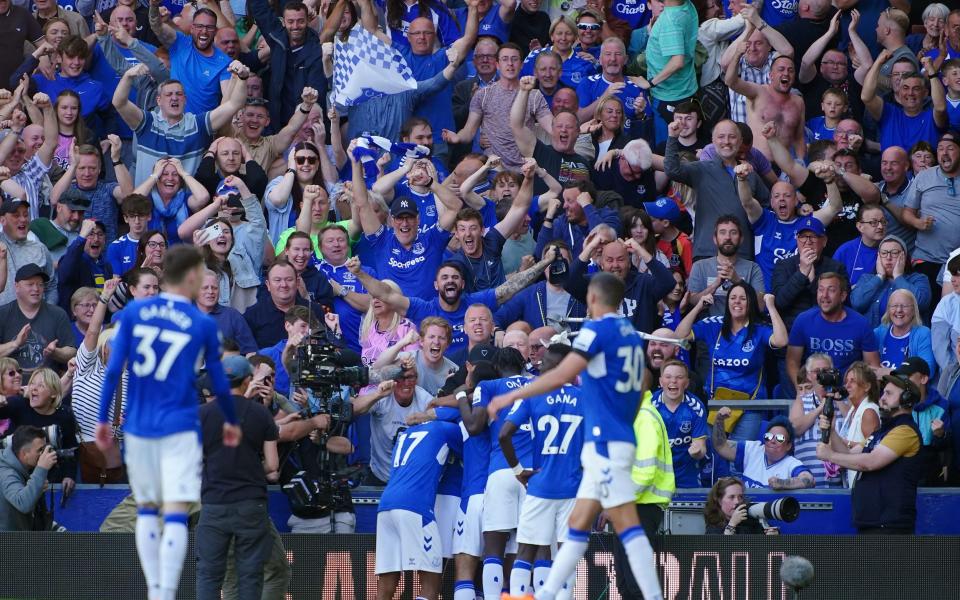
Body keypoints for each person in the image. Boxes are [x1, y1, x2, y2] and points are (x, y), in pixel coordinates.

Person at [487, 272, 664, 600]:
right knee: (577, 526)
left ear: (593, 300)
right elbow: (641, 386)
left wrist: (509, 397)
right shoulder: (631, 333)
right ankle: (546, 594)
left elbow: (561, 375)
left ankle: (653, 597)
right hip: (612, 439)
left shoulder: (597, 329)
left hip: (605, 443)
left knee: (628, 527)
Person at [94, 245, 240, 600]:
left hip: (140, 427)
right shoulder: (202, 322)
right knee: (175, 512)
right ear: (190, 277)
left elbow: (113, 371)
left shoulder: (134, 314)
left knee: (146, 511)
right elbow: (219, 380)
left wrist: (101, 418)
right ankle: (165, 592)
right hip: (180, 426)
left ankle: (155, 589)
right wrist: (231, 419)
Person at [497, 343, 583, 597]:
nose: (538, 366)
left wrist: (517, 469)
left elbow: (504, 434)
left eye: (544, 363)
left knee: (526, 550)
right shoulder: (585, 398)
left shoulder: (532, 395)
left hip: (539, 485)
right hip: (573, 487)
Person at [196, 355, 278, 600]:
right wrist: (250, 468)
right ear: (247, 381)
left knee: (209, 574)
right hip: (251, 504)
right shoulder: (261, 414)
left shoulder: (201, 414)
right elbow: (272, 465)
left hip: (214, 504)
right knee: (250, 574)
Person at [675, 284, 787, 441]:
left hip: (750, 406)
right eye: (733, 298)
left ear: (751, 303)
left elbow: (781, 340)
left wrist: (770, 306)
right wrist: (699, 306)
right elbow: (679, 335)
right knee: (712, 457)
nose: (737, 302)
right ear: (727, 302)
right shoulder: (715, 324)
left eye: (743, 298)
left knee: (739, 457)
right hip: (716, 404)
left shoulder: (759, 329)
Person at [817, 373, 924, 534]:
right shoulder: (881, 432)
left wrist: (830, 455)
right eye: (883, 393)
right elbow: (849, 454)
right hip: (872, 521)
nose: (882, 398)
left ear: (906, 399)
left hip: (890, 525)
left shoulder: (905, 431)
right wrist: (832, 432)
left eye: (888, 394)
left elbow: (870, 462)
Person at [113, 60, 249, 187]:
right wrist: (128, 76)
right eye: (169, 94)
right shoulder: (146, 122)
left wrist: (242, 79)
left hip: (187, 208)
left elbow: (234, 104)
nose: (174, 98)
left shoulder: (197, 124)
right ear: (158, 101)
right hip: (146, 207)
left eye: (179, 94)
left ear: (185, 99)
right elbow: (119, 103)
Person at [374, 418, 462, 600]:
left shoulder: (405, 432)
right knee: (431, 581)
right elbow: (474, 447)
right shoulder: (446, 428)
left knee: (386, 583)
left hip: (386, 505)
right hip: (415, 506)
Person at [664, 119, 769, 261]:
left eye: (732, 137)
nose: (726, 141)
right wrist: (672, 138)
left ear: (739, 141)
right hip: (707, 253)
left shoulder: (751, 175)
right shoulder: (701, 169)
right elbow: (672, 170)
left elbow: (767, 210)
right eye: (721, 137)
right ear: (713, 140)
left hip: (742, 255)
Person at [787, 271, 880, 388]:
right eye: (820, 290)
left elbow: (872, 367)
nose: (824, 295)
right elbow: (792, 361)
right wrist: (801, 389)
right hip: (813, 391)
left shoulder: (861, 324)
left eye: (831, 290)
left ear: (843, 296)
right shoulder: (803, 320)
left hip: (848, 394)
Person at [685, 216, 766, 317]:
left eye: (733, 232)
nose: (728, 237)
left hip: (743, 327)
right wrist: (715, 284)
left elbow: (761, 306)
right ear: (715, 239)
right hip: (709, 326)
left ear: (741, 239)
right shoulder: (699, 266)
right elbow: (692, 302)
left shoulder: (753, 268)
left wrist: (738, 281)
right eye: (722, 232)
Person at [0, 264, 76, 372]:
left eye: (40, 284)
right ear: (16, 286)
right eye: (30, 284)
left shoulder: (57, 314)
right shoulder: (3, 313)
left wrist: (55, 352)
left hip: (47, 385)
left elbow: (72, 352)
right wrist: (15, 344)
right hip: (11, 386)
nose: (36, 289)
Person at [713, 410, 816, 490]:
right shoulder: (753, 449)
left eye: (779, 438)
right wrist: (719, 420)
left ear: (788, 445)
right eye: (768, 437)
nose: (772, 441)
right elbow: (721, 446)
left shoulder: (791, 463)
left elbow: (809, 480)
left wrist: (782, 483)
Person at [851, 235, 932, 328]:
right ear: (878, 257)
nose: (888, 257)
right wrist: (879, 277)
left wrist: (898, 277)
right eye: (884, 253)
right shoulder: (866, 279)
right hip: (873, 339)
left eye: (894, 253)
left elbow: (921, 304)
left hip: (908, 339)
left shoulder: (919, 279)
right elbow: (856, 304)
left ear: (904, 257)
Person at [651, 359, 706, 489]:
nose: (673, 381)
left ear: (686, 383)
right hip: (656, 470)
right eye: (668, 377)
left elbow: (701, 447)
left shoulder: (696, 407)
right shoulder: (650, 406)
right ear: (660, 382)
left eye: (679, 377)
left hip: (686, 470)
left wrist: (697, 452)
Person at [0, 426, 57, 531]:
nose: (44, 454)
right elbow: (23, 504)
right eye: (40, 450)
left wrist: (36, 484)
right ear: (24, 454)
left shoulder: (24, 466)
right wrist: (41, 468)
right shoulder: (6, 473)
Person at [702, 477, 772, 535]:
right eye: (731, 497)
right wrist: (732, 525)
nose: (737, 501)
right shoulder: (713, 525)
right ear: (719, 500)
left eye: (740, 497)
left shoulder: (749, 519)